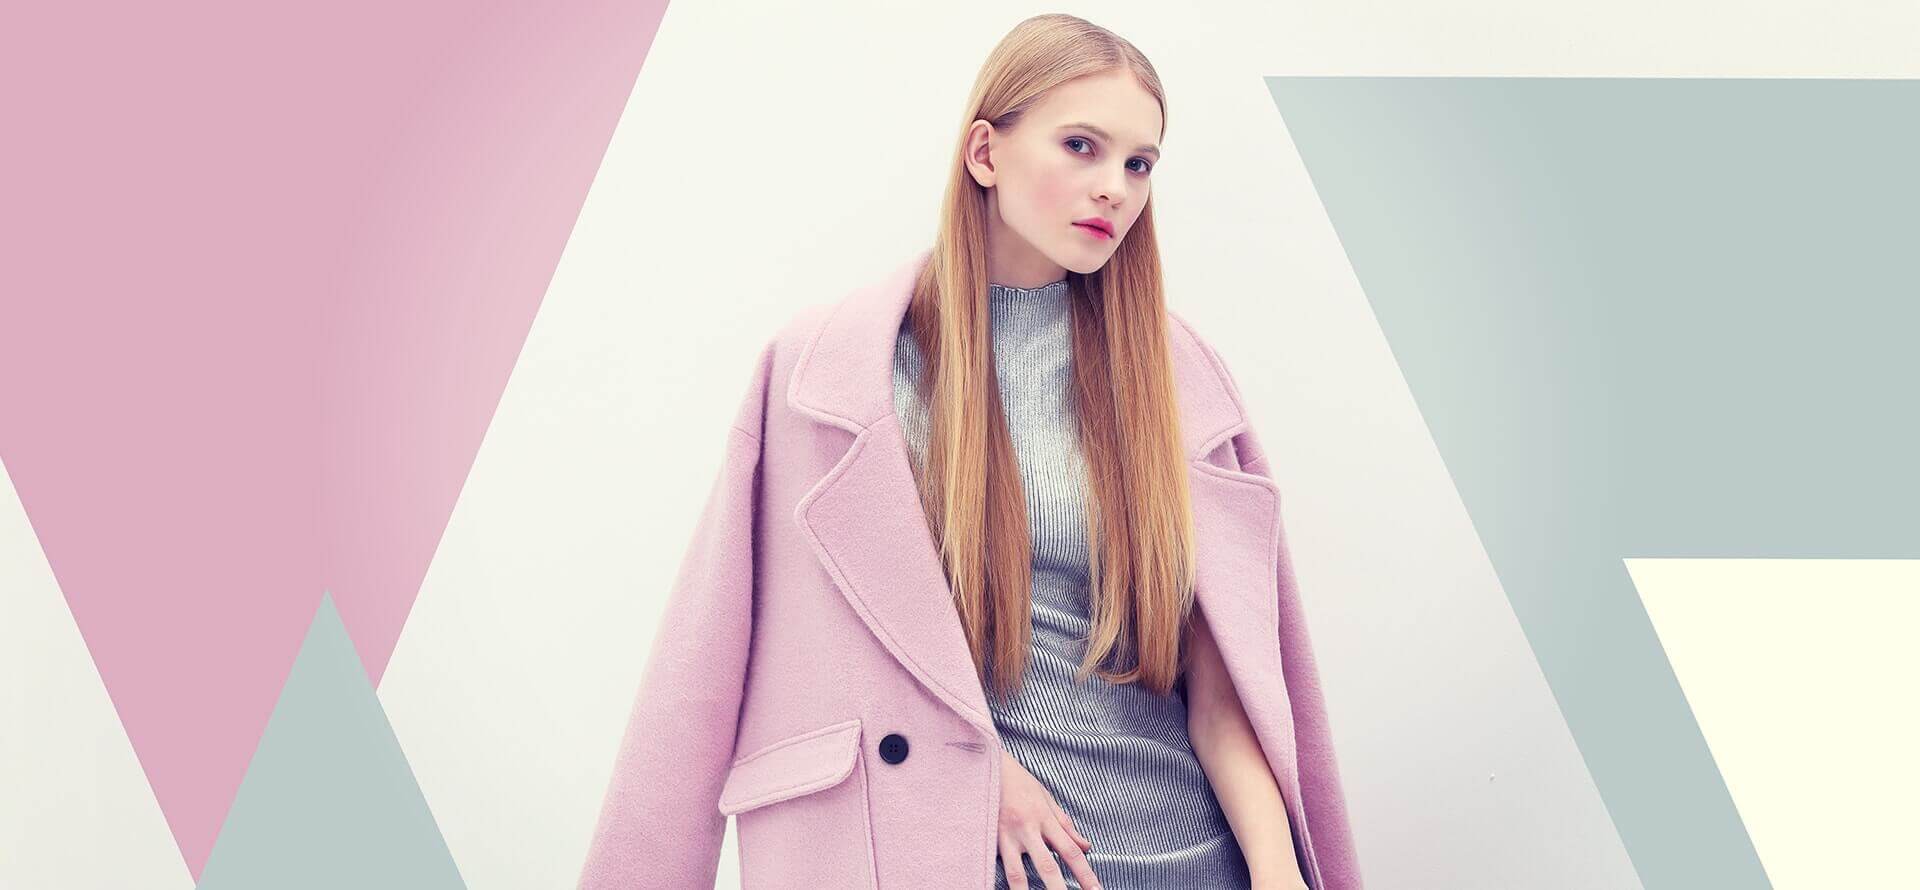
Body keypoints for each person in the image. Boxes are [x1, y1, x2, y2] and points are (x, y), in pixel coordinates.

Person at [579, 13, 1360, 890]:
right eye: (1081, 146)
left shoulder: (1175, 378)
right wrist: (981, 773)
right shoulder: (832, 375)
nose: (1114, 188)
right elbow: (699, 673)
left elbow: (1224, 693)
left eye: (1139, 164)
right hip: (954, 860)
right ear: (985, 153)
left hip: (1193, 862)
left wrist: (1278, 872)